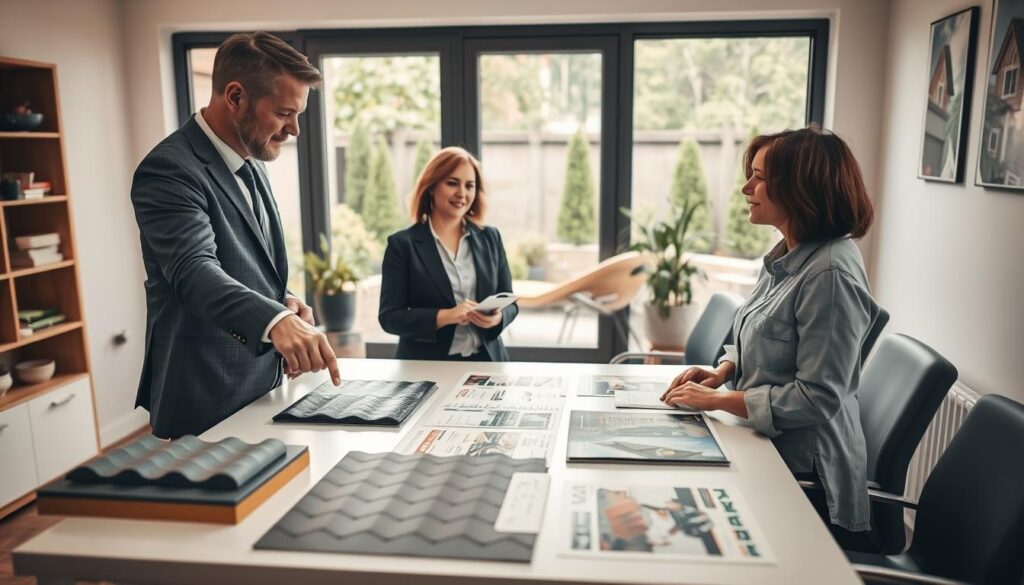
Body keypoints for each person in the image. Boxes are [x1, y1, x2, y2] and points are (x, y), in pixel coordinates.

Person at [661, 126, 881, 534]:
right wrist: (722, 373)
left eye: (760, 178)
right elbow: (758, 337)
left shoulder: (829, 274)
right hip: (768, 448)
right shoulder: (790, 256)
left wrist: (717, 401)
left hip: (804, 480)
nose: (747, 188)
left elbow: (816, 398)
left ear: (802, 188)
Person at [131, 32, 340, 439]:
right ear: (235, 96)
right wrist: (275, 320)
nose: (294, 129)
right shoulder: (169, 170)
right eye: (283, 113)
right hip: (205, 397)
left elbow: (243, 260)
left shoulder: (251, 158)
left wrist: (282, 302)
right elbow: (194, 271)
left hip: (263, 387)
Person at [378, 147, 518, 361]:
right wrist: (445, 316)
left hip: (488, 362)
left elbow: (510, 302)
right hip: (427, 366)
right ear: (432, 187)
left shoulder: (491, 237)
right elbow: (389, 318)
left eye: (469, 185)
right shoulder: (402, 245)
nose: (462, 193)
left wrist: (497, 318)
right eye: (452, 183)